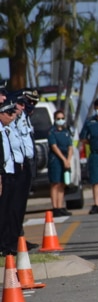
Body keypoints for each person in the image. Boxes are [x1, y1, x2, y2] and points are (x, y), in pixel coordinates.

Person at [12, 89, 41, 250]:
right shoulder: (15, 118)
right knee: (15, 206)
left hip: (28, 163)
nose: (30, 106)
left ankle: (19, 237)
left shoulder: (25, 118)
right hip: (19, 165)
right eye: (27, 102)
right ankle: (15, 238)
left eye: (33, 103)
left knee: (21, 206)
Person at [0, 100, 21, 256]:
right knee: (3, 211)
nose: (12, 116)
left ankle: (7, 243)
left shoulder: (5, 129)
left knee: (8, 210)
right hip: (3, 174)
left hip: (9, 171)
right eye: (9, 113)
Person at [47, 109, 74, 217]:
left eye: (62, 118)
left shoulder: (66, 132)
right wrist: (63, 159)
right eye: (58, 118)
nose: (60, 120)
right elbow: (54, 147)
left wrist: (68, 160)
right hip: (56, 160)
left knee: (63, 184)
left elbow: (70, 147)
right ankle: (55, 207)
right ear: (54, 119)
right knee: (55, 183)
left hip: (65, 160)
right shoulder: (52, 132)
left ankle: (61, 206)